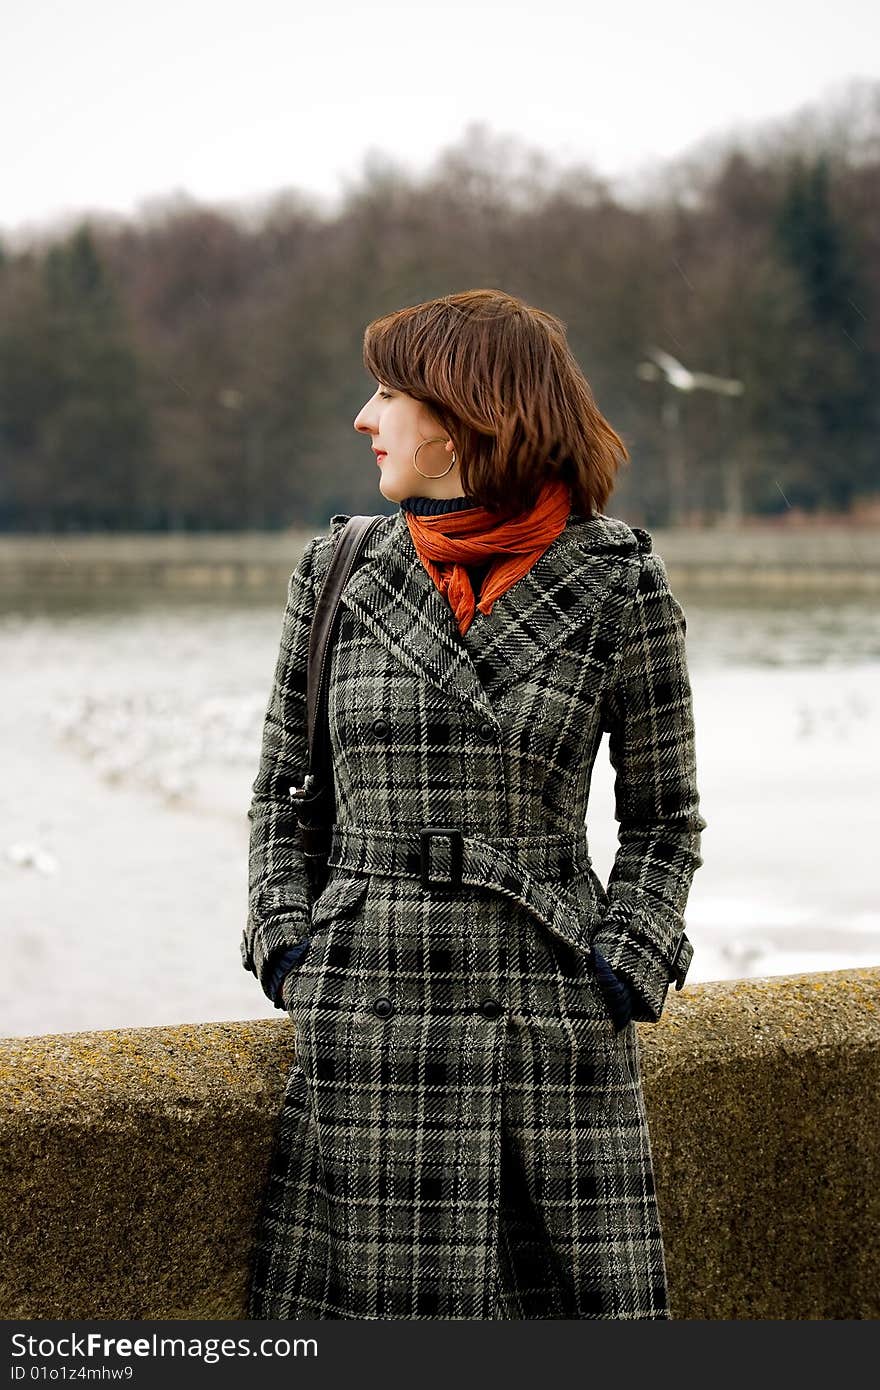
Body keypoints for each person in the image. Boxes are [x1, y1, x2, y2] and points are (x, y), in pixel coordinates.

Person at [241, 288, 706, 1320]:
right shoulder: (337, 569)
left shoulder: (618, 583)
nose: (365, 418)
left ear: (458, 417)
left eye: (388, 394)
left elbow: (665, 818)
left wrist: (623, 963)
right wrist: (286, 942)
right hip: (364, 1030)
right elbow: (283, 790)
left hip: (548, 1034)